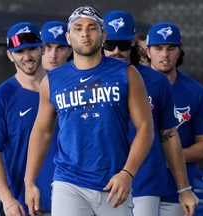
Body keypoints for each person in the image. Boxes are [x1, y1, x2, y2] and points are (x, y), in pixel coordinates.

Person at [24, 5, 154, 216]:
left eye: (92, 27)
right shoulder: (52, 81)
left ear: (103, 35)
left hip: (114, 183)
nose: (85, 33)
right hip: (69, 183)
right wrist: (29, 181)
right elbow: (42, 131)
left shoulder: (127, 73)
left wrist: (127, 174)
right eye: (78, 28)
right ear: (68, 36)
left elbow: (145, 128)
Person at [103, 10, 199, 216]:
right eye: (111, 44)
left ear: (134, 41)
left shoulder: (156, 81)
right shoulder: (85, 81)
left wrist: (184, 189)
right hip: (98, 182)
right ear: (101, 41)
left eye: (123, 43)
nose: (117, 50)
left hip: (144, 182)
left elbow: (169, 134)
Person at [0, 22, 56, 215]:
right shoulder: (1, 99)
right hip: (27, 205)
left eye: (32, 49)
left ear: (42, 48)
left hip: (73, 200)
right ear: (9, 55)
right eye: (19, 51)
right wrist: (7, 199)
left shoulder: (63, 88)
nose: (27, 57)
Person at [145, 21, 203, 216]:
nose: (165, 55)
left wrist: (169, 158)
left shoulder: (196, 92)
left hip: (176, 192)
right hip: (136, 189)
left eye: (171, 48)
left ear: (180, 51)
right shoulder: (134, 85)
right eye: (158, 48)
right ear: (147, 50)